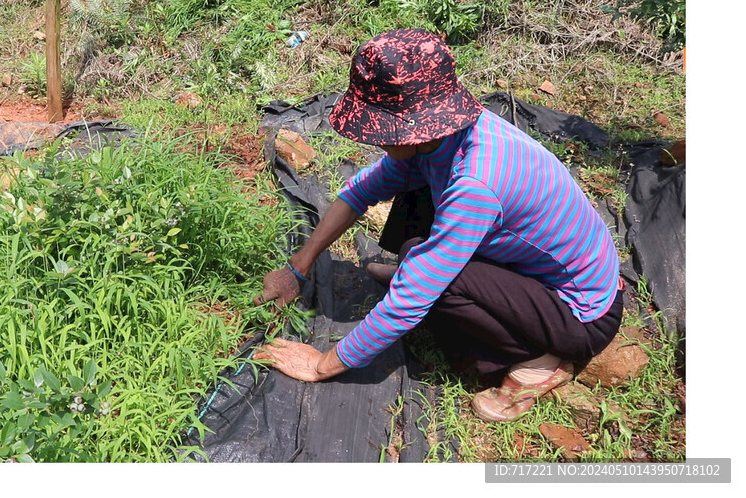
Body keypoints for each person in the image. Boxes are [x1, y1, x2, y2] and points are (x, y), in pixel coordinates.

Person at [253, 28, 623, 422]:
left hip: (579, 313)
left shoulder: (476, 185)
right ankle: (432, 272)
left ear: (412, 127)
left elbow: (410, 301)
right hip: (535, 271)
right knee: (416, 200)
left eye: (381, 131)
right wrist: (300, 266)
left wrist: (321, 364)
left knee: (431, 281)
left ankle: (537, 360)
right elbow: (360, 190)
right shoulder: (445, 139)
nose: (377, 142)